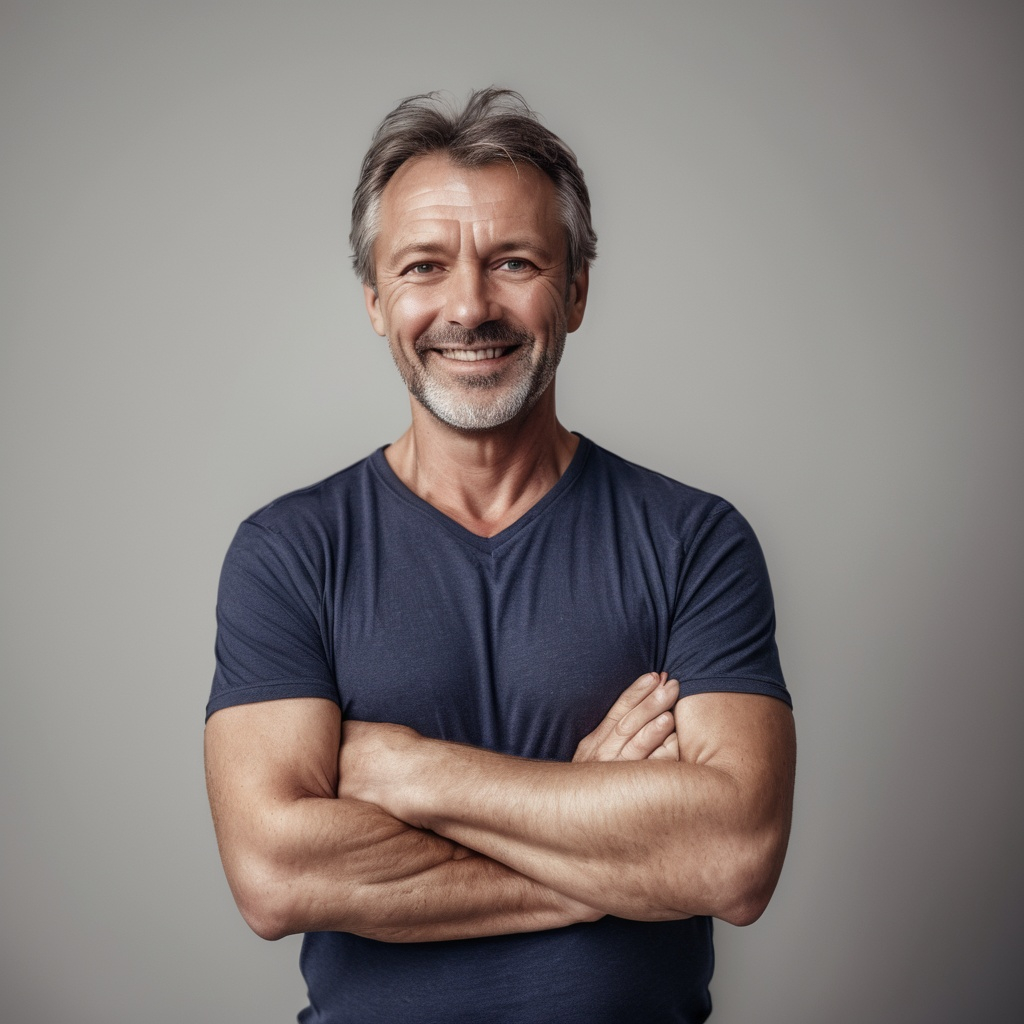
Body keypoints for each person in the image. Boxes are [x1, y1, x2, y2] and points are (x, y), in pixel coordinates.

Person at [205, 88, 795, 1024]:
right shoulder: (290, 554)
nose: (470, 306)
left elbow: (732, 857)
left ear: (577, 289)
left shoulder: (695, 542)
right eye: (424, 267)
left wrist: (411, 773)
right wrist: (608, 850)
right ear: (374, 300)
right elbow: (275, 875)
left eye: (513, 261)